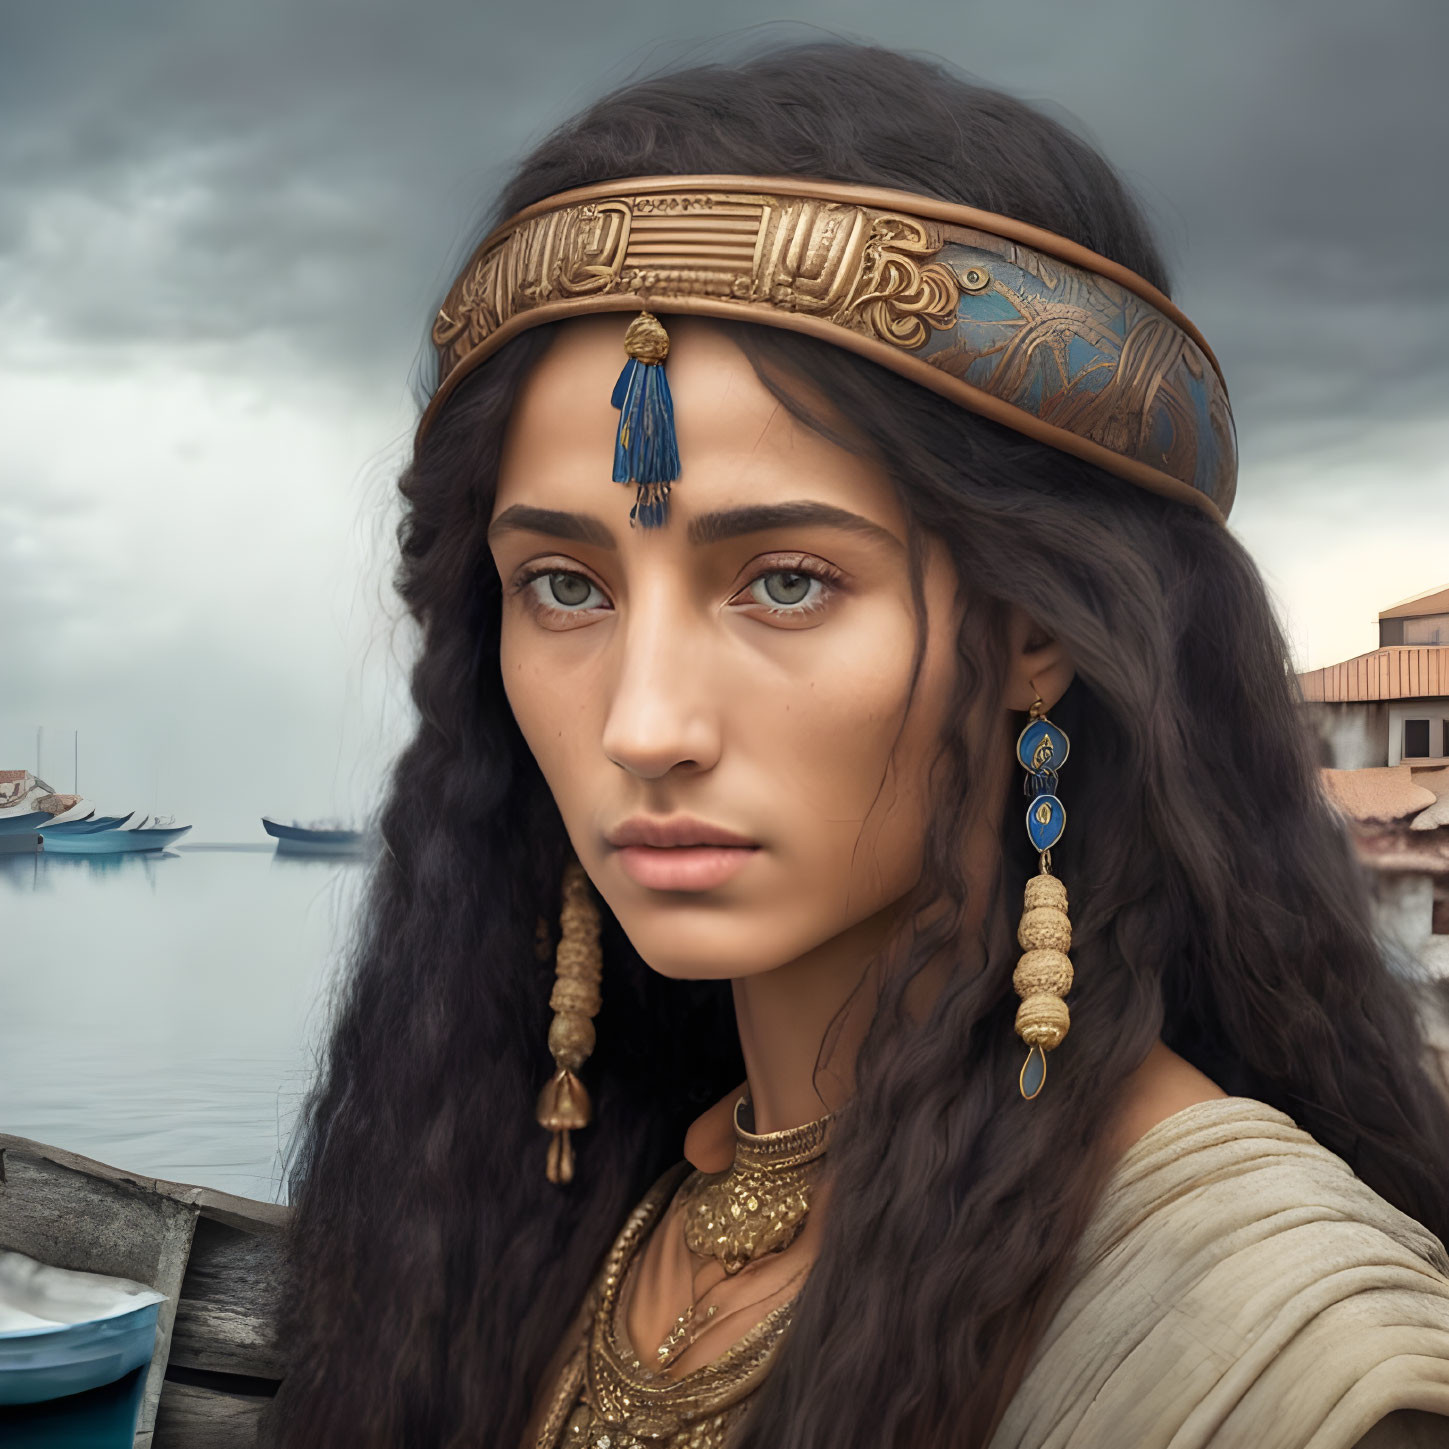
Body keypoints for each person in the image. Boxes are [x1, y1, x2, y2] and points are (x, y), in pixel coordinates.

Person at [267, 41, 1449, 1449]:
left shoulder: (1257, 1336)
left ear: (1034, 631)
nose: (643, 725)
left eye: (784, 581)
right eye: (564, 586)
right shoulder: (561, 1213)